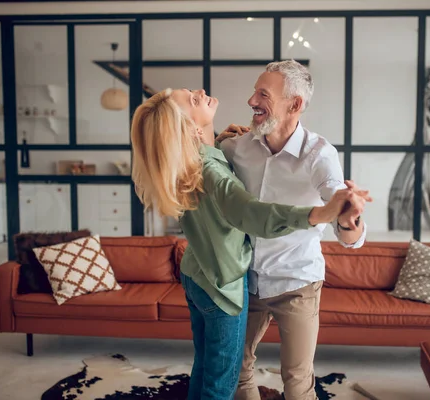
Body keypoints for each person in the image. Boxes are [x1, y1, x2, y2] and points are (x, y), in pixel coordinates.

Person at [130, 88, 364, 400]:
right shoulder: (210, 166)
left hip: (196, 274)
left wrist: (214, 138)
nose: (200, 92)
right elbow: (250, 213)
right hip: (221, 286)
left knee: (204, 367)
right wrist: (319, 214)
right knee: (221, 383)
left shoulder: (184, 160)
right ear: (189, 127)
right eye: (193, 100)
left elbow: (209, 181)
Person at [216, 60, 371, 400]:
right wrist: (214, 138)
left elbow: (345, 220)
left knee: (298, 381)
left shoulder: (319, 154)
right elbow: (205, 161)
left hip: (297, 281)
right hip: (246, 280)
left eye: (262, 93)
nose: (250, 100)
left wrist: (347, 216)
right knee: (238, 372)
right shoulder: (237, 148)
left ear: (295, 104)